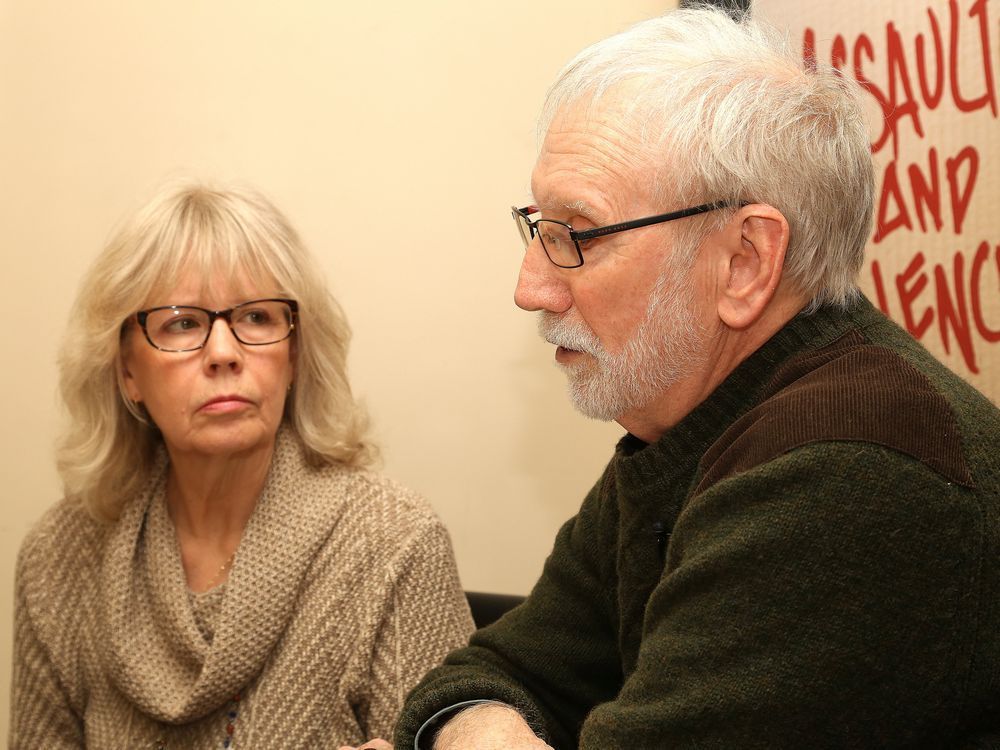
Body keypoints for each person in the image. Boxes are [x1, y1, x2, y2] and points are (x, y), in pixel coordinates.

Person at [389, 6, 1000, 749]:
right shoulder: (696, 422)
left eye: (576, 234)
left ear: (745, 260)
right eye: (539, 227)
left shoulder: (847, 475)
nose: (531, 287)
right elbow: (488, 672)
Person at [10, 182, 474, 748]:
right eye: (181, 322)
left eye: (255, 317)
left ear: (295, 354)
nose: (224, 352)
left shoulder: (394, 542)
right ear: (126, 369)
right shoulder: (59, 559)